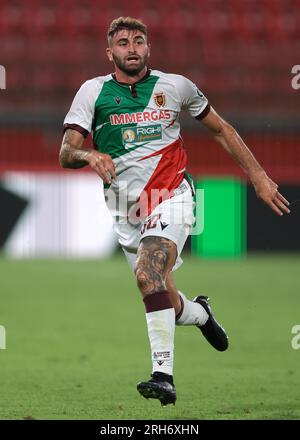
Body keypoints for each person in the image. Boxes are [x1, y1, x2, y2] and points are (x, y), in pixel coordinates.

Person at [59, 16, 290, 406]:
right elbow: (66, 152)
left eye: (138, 41)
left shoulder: (176, 86)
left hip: (173, 196)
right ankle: (199, 313)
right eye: (122, 42)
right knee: (159, 289)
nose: (131, 48)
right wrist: (89, 154)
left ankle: (162, 375)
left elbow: (221, 129)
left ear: (148, 48)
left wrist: (259, 176)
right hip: (126, 212)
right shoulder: (92, 92)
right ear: (109, 51)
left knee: (147, 272)